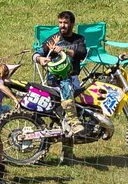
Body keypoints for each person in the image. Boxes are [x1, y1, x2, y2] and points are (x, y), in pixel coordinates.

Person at [38, 11, 91, 166]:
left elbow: (82, 53)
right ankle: (71, 128)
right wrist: (41, 58)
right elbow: (38, 52)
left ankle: (67, 154)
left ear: (72, 24)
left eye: (66, 23)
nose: (62, 26)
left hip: (73, 78)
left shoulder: (78, 39)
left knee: (78, 110)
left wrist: (64, 50)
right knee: (63, 117)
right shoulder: (53, 39)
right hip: (55, 80)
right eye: (60, 22)